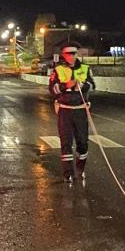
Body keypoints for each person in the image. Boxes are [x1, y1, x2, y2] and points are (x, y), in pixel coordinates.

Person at [48, 45, 94, 184]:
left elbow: (92, 85)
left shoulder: (85, 69)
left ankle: (80, 169)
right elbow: (52, 89)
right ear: (64, 55)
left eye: (74, 53)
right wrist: (66, 85)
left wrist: (83, 85)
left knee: (83, 142)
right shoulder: (58, 70)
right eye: (68, 53)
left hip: (80, 110)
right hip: (65, 110)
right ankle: (67, 173)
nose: (71, 56)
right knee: (66, 142)